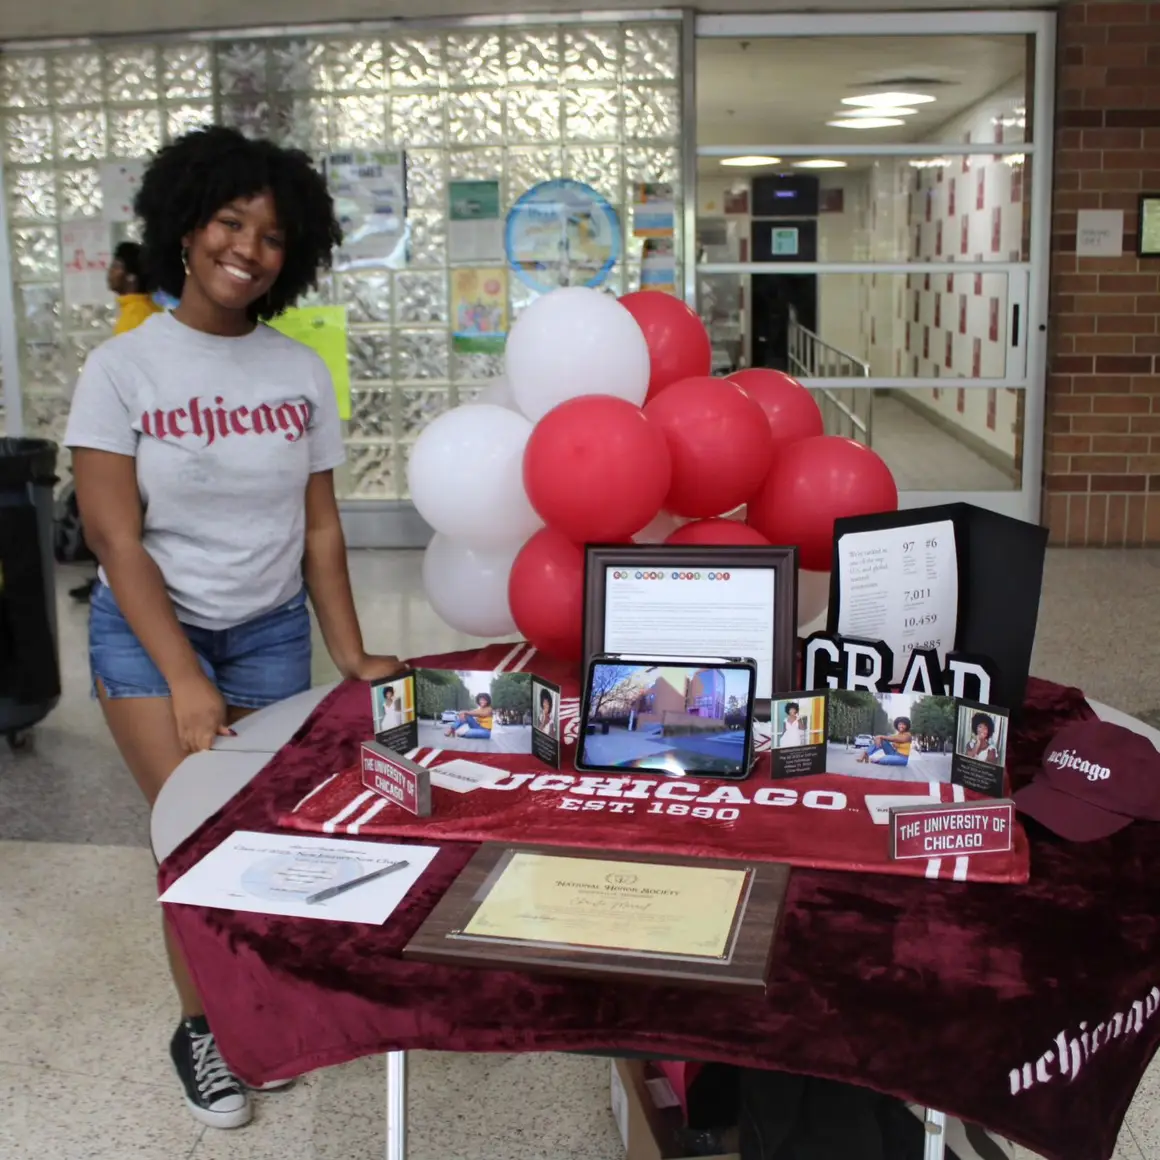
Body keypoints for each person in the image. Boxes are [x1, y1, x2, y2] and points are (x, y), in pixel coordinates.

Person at [63, 125, 403, 1132]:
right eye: (229, 221)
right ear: (185, 227)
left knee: (261, 836)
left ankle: (251, 1009)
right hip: (148, 633)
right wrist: (182, 677)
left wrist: (351, 652)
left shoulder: (296, 372)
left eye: (271, 235)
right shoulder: (121, 370)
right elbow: (114, 541)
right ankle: (200, 1027)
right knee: (194, 835)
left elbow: (318, 525)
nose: (247, 248)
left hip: (265, 628)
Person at [68, 242, 164, 605]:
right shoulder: (143, 313)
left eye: (115, 266)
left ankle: (115, 581)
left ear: (131, 274)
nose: (110, 273)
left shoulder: (136, 319)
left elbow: (131, 390)